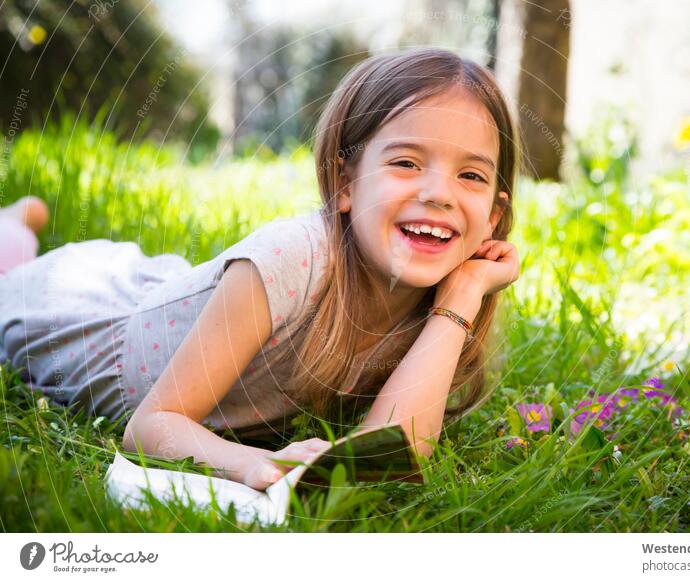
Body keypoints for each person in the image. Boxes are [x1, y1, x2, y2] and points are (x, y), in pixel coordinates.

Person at [0, 47, 521, 491]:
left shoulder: (438, 294)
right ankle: (17, 227)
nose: (438, 194)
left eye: (470, 175)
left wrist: (462, 297)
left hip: (179, 301)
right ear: (345, 183)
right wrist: (255, 463)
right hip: (81, 314)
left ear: (493, 215)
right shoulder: (289, 259)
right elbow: (152, 426)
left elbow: (388, 456)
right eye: (406, 163)